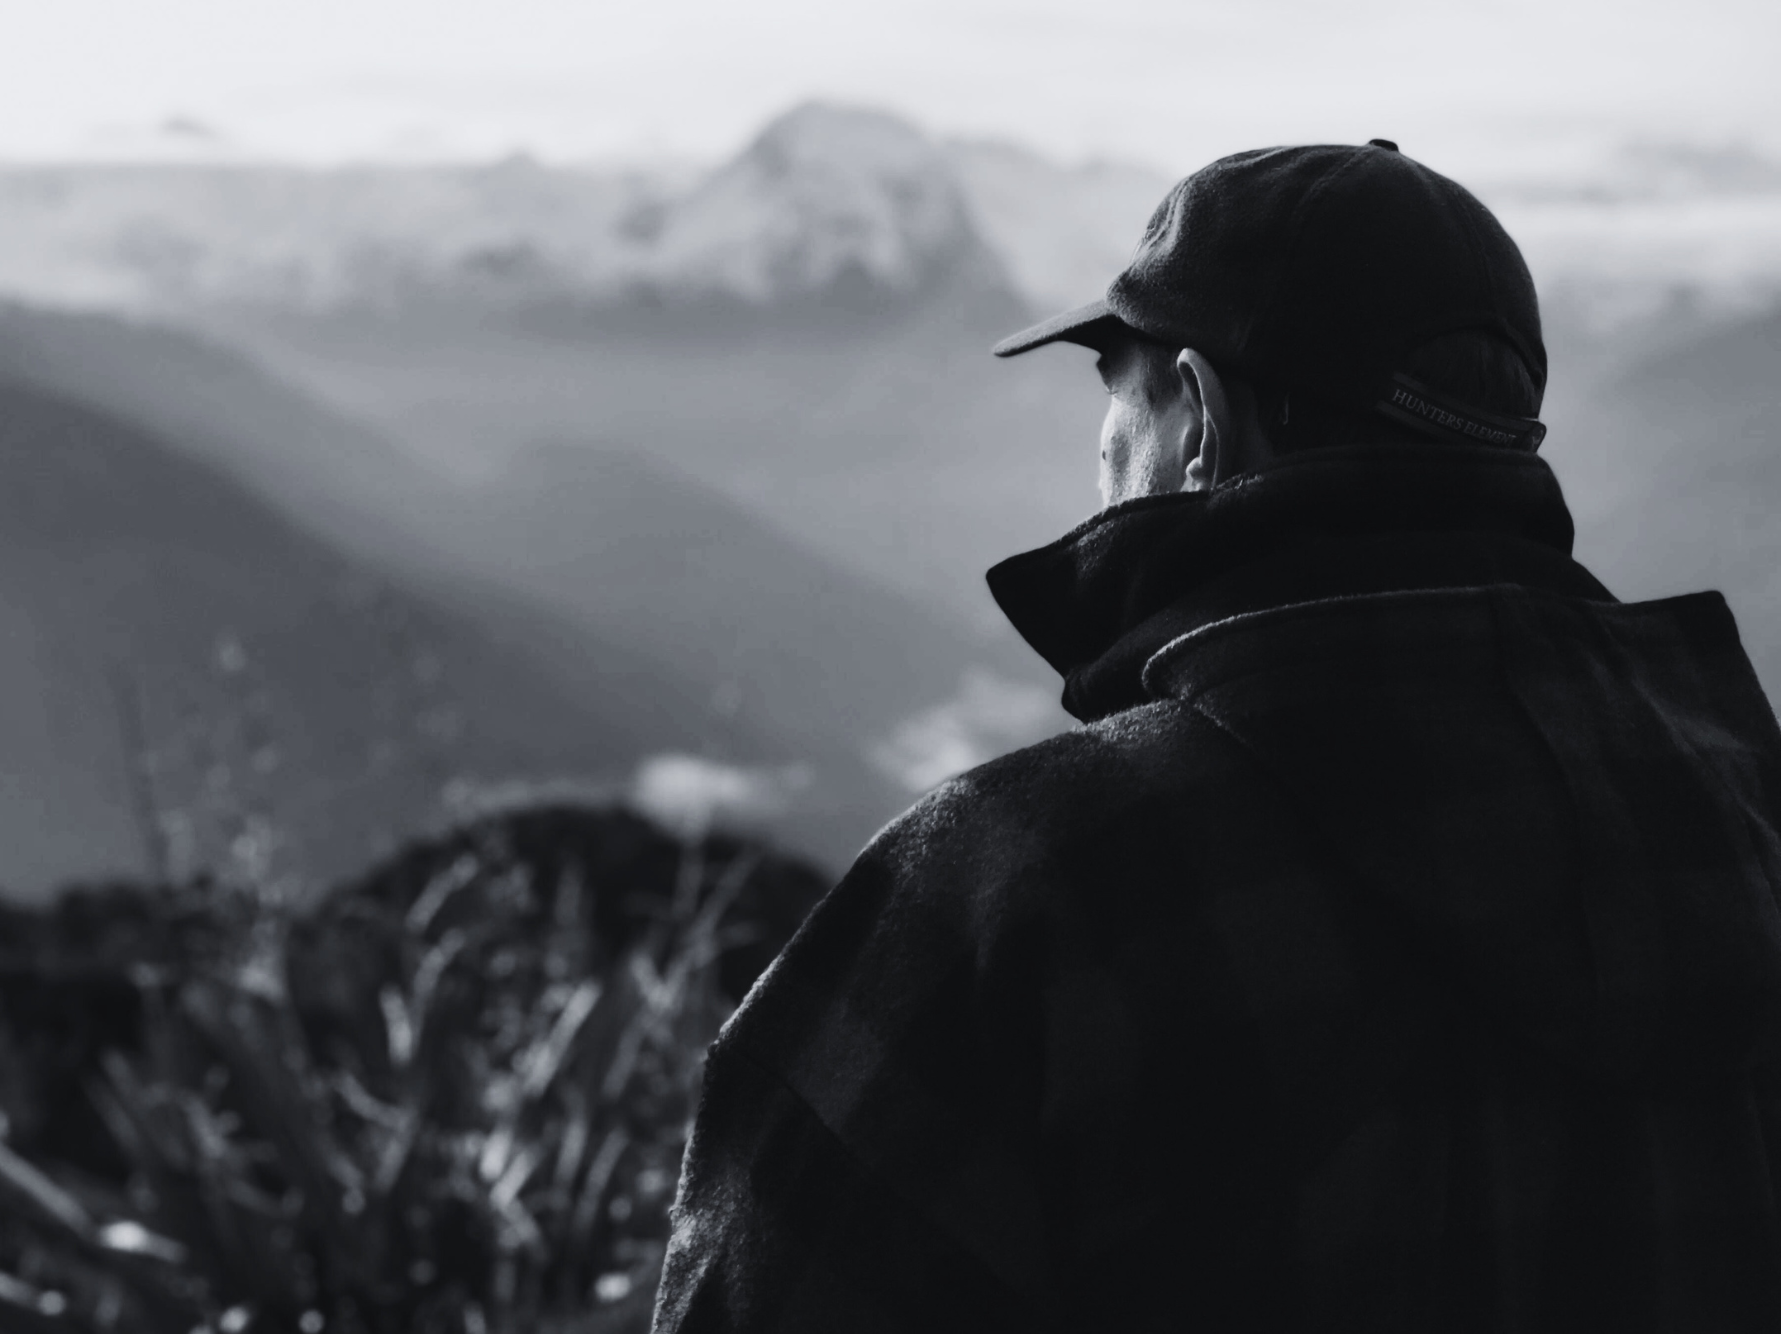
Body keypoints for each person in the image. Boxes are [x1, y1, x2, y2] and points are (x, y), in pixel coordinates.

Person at [649, 142, 1781, 1332]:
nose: (1096, 449)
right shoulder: (1748, 824)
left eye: (1111, 387)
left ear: (1197, 414)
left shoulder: (1019, 887)